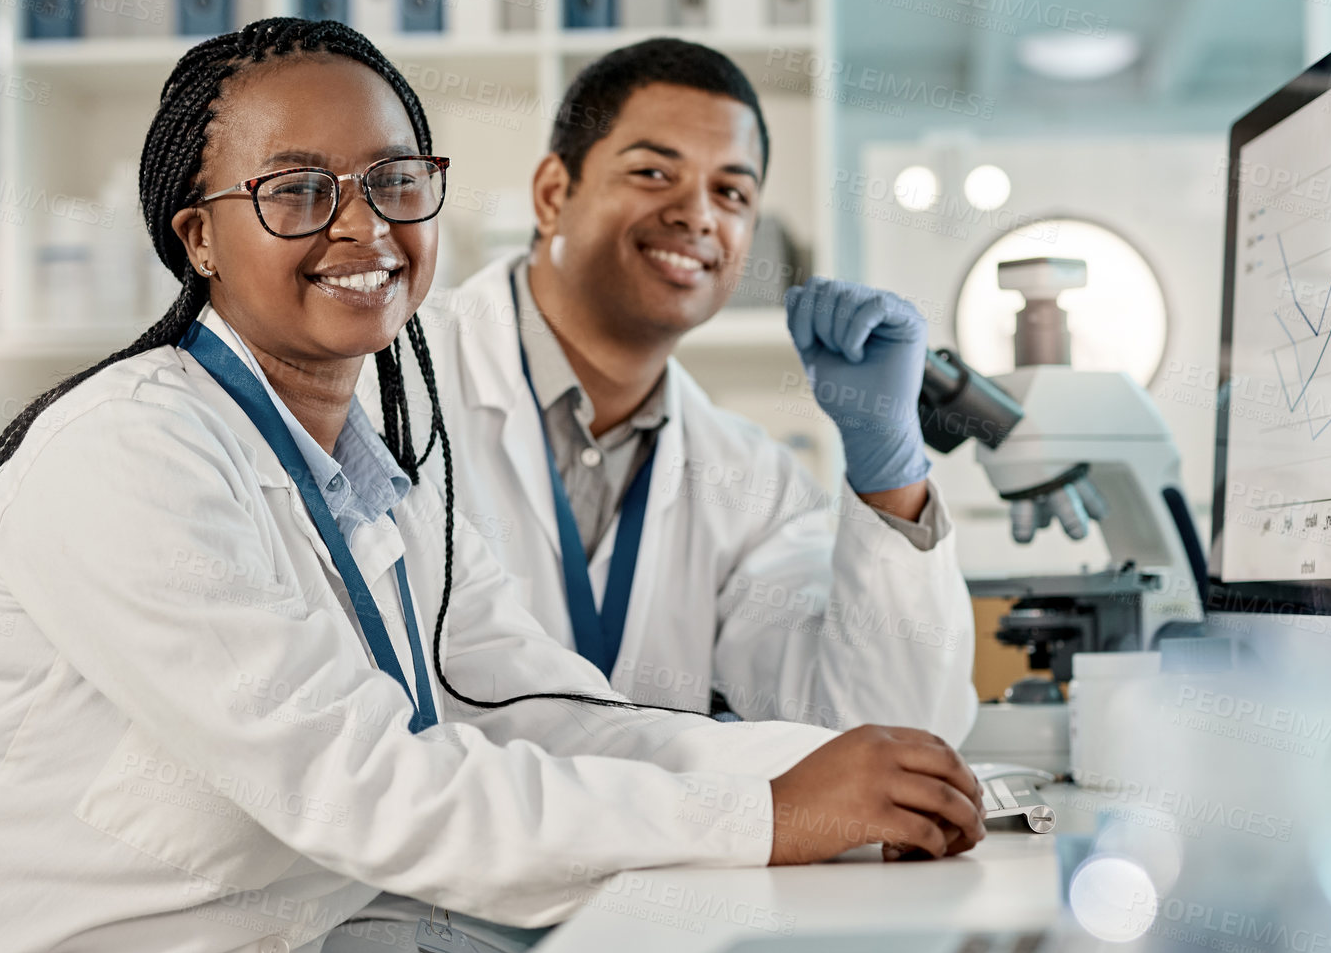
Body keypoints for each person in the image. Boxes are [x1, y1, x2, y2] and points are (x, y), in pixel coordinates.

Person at [0, 19, 984, 953]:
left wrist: (838, 774)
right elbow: (367, 786)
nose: (363, 224)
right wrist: (768, 815)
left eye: (394, 181)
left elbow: (534, 709)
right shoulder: (130, 453)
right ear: (197, 235)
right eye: (297, 189)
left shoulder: (381, 473)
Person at [390, 38, 978, 743]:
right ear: (553, 194)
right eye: (652, 172)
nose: (697, 214)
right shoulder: (392, 377)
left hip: (653, 854)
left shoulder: (752, 484)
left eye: (731, 192)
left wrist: (891, 473)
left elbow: (883, 735)